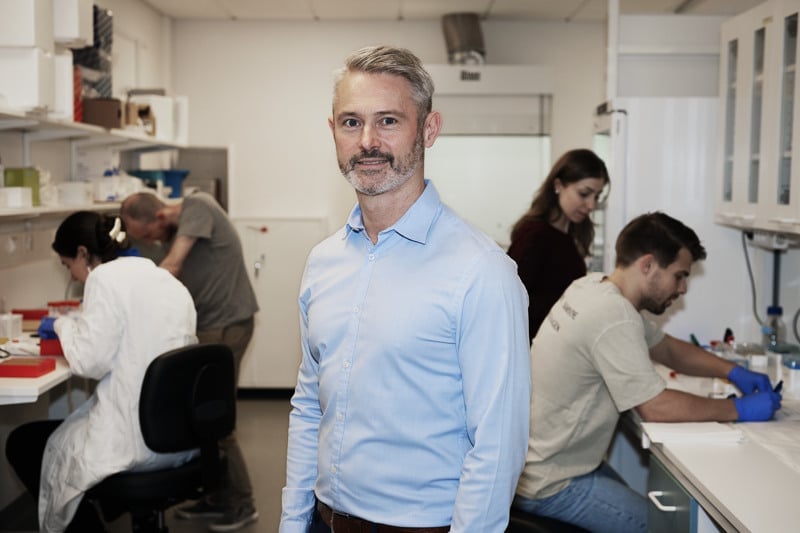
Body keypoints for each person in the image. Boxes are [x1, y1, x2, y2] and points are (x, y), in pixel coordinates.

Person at [279, 45, 531, 532]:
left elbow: (497, 445)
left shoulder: (481, 272)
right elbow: (310, 403)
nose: (368, 141)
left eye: (388, 121)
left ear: (429, 130)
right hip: (323, 520)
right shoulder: (323, 262)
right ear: (333, 132)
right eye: (351, 122)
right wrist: (293, 522)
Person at [512, 211, 782, 532]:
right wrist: (739, 409)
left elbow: (666, 349)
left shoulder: (589, 287)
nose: (682, 289)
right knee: (666, 527)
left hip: (536, 465)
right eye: (680, 276)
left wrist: (734, 371)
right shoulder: (614, 316)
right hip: (551, 482)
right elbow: (656, 407)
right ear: (648, 265)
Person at [5, 211, 198, 533]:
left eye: (69, 267)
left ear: (83, 253)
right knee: (63, 435)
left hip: (136, 439)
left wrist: (63, 325)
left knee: (24, 442)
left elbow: (88, 362)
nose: (76, 277)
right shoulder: (163, 278)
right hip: (179, 434)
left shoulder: (103, 278)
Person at [120, 190, 259, 532]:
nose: (153, 242)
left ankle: (242, 504)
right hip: (210, 325)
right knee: (198, 418)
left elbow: (172, 266)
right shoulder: (175, 230)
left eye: (149, 235)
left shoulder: (198, 205)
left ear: (160, 217)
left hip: (225, 326)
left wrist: (122, 297)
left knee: (215, 420)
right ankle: (215, 496)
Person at [507, 148, 609, 342]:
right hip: (531, 348)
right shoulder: (534, 235)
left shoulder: (571, 234)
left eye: (596, 196)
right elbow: (510, 302)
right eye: (584, 193)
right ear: (558, 185)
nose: (591, 205)